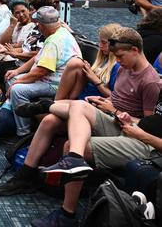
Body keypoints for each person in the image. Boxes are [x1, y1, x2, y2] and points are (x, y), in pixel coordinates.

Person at [14, 28, 162, 227]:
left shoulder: (152, 82)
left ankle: (67, 215)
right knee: (59, 117)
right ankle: (27, 174)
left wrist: (116, 111)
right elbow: (132, 110)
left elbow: (146, 124)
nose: (117, 61)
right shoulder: (126, 68)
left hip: (136, 134)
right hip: (119, 120)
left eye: (120, 56)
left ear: (135, 50)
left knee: (72, 141)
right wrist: (108, 103)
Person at [4, 6, 82, 137]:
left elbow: (41, 71)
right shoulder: (60, 32)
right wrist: (17, 72)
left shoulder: (54, 41)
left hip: (56, 84)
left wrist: (17, 82)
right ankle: (18, 117)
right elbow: (38, 57)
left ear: (42, 26)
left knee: (17, 90)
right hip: (52, 79)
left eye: (38, 24)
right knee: (12, 77)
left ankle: (23, 132)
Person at [54, 23, 122, 101]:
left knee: (53, 108)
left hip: (91, 104)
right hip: (81, 99)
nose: (100, 46)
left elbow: (114, 98)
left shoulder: (118, 67)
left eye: (104, 43)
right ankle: (58, 101)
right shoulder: (104, 59)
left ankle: (56, 103)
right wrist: (87, 71)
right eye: (100, 42)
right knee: (76, 64)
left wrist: (95, 79)